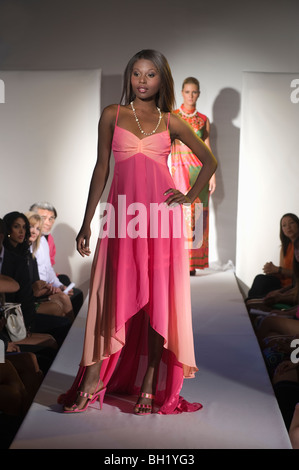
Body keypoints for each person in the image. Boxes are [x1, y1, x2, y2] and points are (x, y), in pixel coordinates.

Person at [60, 49, 217, 415]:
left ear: (162, 80)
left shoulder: (171, 122)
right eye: (136, 74)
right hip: (120, 220)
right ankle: (93, 377)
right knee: (112, 294)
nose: (142, 81)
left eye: (150, 75)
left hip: (161, 221)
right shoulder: (112, 115)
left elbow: (209, 161)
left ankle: (150, 381)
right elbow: (101, 168)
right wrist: (86, 221)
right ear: (128, 78)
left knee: (158, 302)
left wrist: (190, 196)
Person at [170, 77, 216, 275]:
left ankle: (192, 263)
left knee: (198, 215)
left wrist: (212, 176)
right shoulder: (172, 116)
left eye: (194, 92)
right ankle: (177, 259)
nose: (191, 96)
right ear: (182, 93)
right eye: (187, 92)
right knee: (178, 215)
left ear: (198, 94)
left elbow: (207, 146)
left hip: (199, 170)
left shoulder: (203, 119)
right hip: (179, 169)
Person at [29, 202, 83, 316]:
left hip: (45, 286)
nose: (48, 222)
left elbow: (48, 269)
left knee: (72, 291)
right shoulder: (27, 244)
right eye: (44, 218)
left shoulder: (44, 240)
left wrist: (59, 286)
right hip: (35, 290)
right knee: (62, 300)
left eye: (51, 218)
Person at [246, 213, 299, 303]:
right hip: (283, 284)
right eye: (284, 225)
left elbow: (296, 274)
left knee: (263, 295)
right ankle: (252, 302)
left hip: (294, 286)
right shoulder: (285, 247)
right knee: (260, 279)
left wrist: (278, 269)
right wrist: (272, 271)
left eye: (291, 223)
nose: (288, 227)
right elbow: (283, 272)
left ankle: (254, 303)